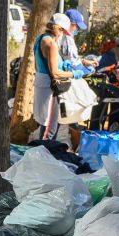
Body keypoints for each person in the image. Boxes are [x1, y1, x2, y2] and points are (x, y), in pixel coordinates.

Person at [31, 14, 74, 144]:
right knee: (49, 129)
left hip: (41, 85)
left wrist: (63, 65)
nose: (62, 34)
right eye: (62, 31)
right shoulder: (51, 44)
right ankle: (43, 159)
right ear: (57, 28)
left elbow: (41, 64)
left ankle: (42, 156)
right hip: (49, 89)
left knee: (44, 124)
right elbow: (55, 73)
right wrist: (74, 74)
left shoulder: (40, 39)